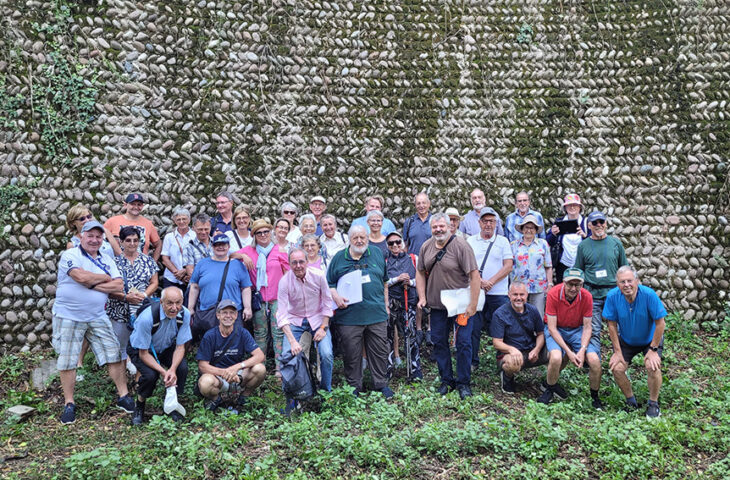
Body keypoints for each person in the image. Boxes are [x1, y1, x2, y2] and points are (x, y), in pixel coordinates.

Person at [52, 220, 134, 424]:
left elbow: (119, 285)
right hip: (69, 315)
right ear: (82, 236)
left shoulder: (107, 258)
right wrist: (102, 279)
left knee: (114, 353)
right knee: (68, 359)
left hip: (98, 315)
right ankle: (69, 403)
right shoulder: (71, 255)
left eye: (99, 236)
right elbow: (80, 277)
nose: (94, 240)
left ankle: (123, 396)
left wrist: (92, 283)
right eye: (90, 236)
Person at [416, 213, 480, 399]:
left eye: (442, 226)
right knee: (439, 342)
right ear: (431, 229)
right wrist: (422, 296)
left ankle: (463, 383)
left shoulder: (461, 245)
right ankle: (446, 380)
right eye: (435, 227)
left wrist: (473, 304)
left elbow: (474, 275)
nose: (438, 230)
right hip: (437, 306)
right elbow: (420, 272)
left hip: (461, 306)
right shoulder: (426, 247)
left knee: (463, 343)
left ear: (449, 226)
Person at [327, 225, 394, 398]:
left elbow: (385, 281)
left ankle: (381, 384)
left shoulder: (377, 253)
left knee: (379, 351)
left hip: (376, 313)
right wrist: (336, 296)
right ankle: (354, 386)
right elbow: (329, 284)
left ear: (368, 238)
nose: (359, 241)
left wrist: (386, 305)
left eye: (362, 237)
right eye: (355, 238)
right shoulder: (339, 258)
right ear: (349, 239)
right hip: (349, 316)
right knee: (351, 352)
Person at [605, 266, 667, 418]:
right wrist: (617, 352)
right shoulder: (613, 296)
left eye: (629, 281)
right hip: (627, 339)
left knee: (652, 366)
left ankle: (653, 403)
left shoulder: (649, 295)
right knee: (617, 368)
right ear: (617, 284)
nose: (626, 285)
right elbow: (611, 324)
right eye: (622, 282)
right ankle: (630, 401)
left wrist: (653, 350)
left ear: (637, 281)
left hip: (649, 339)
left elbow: (661, 323)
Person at [539, 268, 602, 409]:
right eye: (570, 284)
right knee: (556, 357)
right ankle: (549, 389)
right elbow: (552, 328)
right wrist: (569, 352)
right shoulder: (554, 294)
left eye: (577, 285)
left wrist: (582, 350)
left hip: (577, 329)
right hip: (557, 328)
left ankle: (595, 397)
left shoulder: (587, 297)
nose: (573, 288)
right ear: (563, 283)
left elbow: (587, 327)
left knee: (594, 360)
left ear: (582, 285)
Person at [127, 287, 192, 424]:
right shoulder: (147, 318)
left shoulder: (184, 314)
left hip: (166, 346)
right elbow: (143, 353)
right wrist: (164, 372)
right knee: (150, 376)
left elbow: (180, 347)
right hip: (142, 349)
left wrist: (172, 369)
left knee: (182, 368)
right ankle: (139, 405)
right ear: (162, 302)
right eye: (169, 303)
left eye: (178, 303)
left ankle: (173, 404)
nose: (174, 308)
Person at [574, 210, 628, 368]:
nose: (599, 225)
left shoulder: (616, 243)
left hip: (613, 293)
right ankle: (593, 360)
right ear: (589, 225)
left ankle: (621, 359)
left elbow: (624, 267)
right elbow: (579, 270)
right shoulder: (583, 246)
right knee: (593, 328)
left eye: (601, 222)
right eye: (595, 223)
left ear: (606, 223)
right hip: (593, 294)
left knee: (618, 327)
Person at [277, 248, 335, 394]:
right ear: (289, 264)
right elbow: (282, 314)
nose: (298, 266)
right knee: (287, 356)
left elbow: (328, 303)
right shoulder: (284, 282)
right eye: (294, 262)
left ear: (307, 262)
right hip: (295, 320)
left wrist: (323, 327)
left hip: (318, 320)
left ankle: (325, 392)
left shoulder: (319, 276)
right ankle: (292, 396)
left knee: (326, 353)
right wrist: (292, 341)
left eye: (301, 262)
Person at [105, 226, 159, 375]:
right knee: (120, 347)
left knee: (142, 345)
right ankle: (121, 380)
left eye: (135, 240)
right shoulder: (113, 263)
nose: (132, 243)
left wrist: (144, 295)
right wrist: (125, 297)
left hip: (143, 309)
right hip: (120, 309)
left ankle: (140, 380)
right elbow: (108, 288)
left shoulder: (147, 260)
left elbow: (154, 282)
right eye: (128, 240)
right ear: (121, 242)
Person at [196, 299, 267, 412]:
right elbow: (202, 366)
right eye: (224, 312)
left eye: (232, 312)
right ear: (218, 315)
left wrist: (237, 367)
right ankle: (217, 399)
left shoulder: (242, 333)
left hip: (238, 375)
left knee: (260, 368)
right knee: (205, 382)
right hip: (217, 376)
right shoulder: (210, 336)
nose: (228, 316)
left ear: (236, 316)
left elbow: (259, 356)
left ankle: (244, 397)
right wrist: (225, 373)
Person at [467, 207, 513, 371]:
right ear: (479, 223)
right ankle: (473, 361)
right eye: (485, 221)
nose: (488, 224)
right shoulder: (470, 241)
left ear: (496, 223)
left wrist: (491, 282)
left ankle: (502, 359)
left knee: (503, 327)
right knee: (474, 327)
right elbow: (467, 266)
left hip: (498, 293)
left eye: (491, 221)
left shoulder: (503, 241)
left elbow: (508, 266)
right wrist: (480, 282)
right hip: (476, 292)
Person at [240, 220, 290, 370]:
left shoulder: (279, 250)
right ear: (254, 235)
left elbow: (288, 272)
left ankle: (280, 368)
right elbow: (231, 255)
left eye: (266, 232)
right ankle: (259, 367)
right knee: (260, 333)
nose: (263, 235)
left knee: (278, 332)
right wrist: (243, 257)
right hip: (259, 298)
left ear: (271, 233)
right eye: (259, 233)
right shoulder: (248, 251)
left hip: (277, 299)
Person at [188, 234, 253, 341]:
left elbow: (245, 288)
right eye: (217, 245)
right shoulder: (202, 264)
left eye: (223, 244)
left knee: (232, 343)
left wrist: (247, 307)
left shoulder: (238, 265)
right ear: (212, 247)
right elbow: (194, 286)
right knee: (209, 343)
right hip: (207, 312)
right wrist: (190, 308)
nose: (220, 247)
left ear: (228, 246)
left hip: (231, 313)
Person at [491, 282, 548, 395]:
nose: (518, 298)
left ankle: (549, 383)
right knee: (512, 363)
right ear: (509, 295)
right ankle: (507, 376)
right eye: (515, 294)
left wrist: (536, 350)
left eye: (522, 294)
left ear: (527, 295)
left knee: (558, 354)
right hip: (510, 355)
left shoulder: (533, 310)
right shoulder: (500, 314)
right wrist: (512, 350)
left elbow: (541, 333)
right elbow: (496, 343)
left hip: (531, 351)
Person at [385, 231, 422, 381]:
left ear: (403, 243)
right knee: (388, 338)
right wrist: (397, 279)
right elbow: (383, 282)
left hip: (409, 301)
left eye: (398, 242)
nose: (395, 245)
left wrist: (410, 282)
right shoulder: (385, 262)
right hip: (392, 302)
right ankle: (388, 369)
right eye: (391, 243)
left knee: (411, 335)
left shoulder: (413, 259)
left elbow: (421, 278)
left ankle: (415, 370)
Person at [510, 214, 553, 318]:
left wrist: (550, 284)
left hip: (538, 286)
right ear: (522, 229)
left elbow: (548, 266)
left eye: (532, 228)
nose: (529, 230)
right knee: (518, 316)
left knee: (537, 315)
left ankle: (537, 334)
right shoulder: (513, 245)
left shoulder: (543, 244)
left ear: (536, 230)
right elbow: (509, 266)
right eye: (526, 227)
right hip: (519, 288)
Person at [546, 193, 590, 283]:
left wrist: (585, 236)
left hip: (582, 264)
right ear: (565, 208)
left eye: (575, 205)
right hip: (563, 264)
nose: (572, 207)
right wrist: (553, 234)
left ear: (580, 207)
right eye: (569, 205)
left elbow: (594, 242)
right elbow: (548, 242)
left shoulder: (586, 222)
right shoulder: (559, 222)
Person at [104, 193, 161, 260]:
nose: (136, 207)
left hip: (141, 267)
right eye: (132, 204)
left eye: (139, 205)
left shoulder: (148, 224)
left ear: (142, 206)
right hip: (117, 267)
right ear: (125, 205)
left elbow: (158, 244)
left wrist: (153, 263)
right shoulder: (112, 221)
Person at [160, 207, 194, 290]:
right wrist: (177, 273)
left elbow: (198, 258)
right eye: (178, 219)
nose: (181, 222)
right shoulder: (169, 237)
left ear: (189, 220)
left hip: (190, 277)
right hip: (171, 278)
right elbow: (165, 258)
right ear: (175, 221)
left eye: (184, 219)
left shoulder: (195, 236)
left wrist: (185, 270)